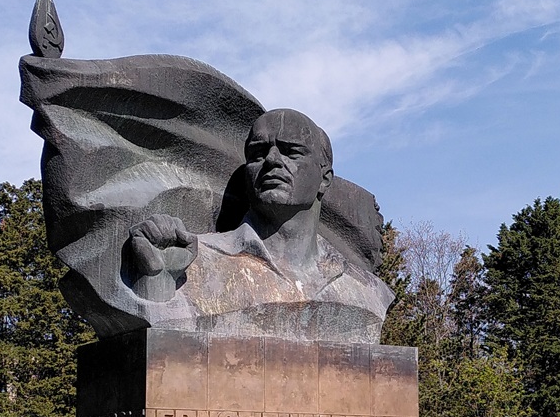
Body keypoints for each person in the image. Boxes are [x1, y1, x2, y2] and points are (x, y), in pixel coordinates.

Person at [126, 109, 393, 342]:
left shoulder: (366, 291)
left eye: (291, 152)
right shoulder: (193, 260)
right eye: (257, 154)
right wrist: (155, 282)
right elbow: (167, 352)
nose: (273, 160)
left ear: (324, 179)